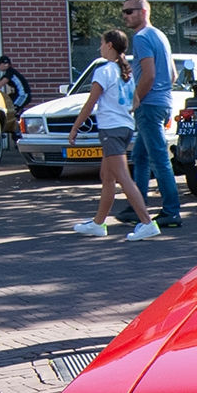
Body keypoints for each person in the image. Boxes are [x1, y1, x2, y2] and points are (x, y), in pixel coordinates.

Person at [67, 30, 159, 242]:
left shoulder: (104, 71)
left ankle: (147, 222)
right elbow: (135, 101)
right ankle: (99, 224)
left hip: (111, 130)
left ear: (109, 45)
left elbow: (91, 103)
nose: (99, 47)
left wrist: (75, 128)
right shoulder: (125, 71)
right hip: (125, 128)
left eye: (101, 43)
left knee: (123, 177)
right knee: (107, 177)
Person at [120, 0, 183, 228]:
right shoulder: (160, 36)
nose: (125, 16)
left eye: (129, 11)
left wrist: (135, 100)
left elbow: (149, 74)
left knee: (159, 158)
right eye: (124, 12)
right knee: (141, 156)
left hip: (149, 105)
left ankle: (171, 211)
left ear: (144, 11)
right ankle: (137, 206)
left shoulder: (142, 37)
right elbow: (173, 74)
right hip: (162, 103)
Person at [0, 55, 31, 137]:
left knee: (13, 112)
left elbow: (0, 85)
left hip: (22, 95)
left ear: (6, 64)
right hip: (17, 95)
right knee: (9, 110)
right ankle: (16, 132)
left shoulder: (10, 73)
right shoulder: (7, 73)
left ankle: (19, 133)